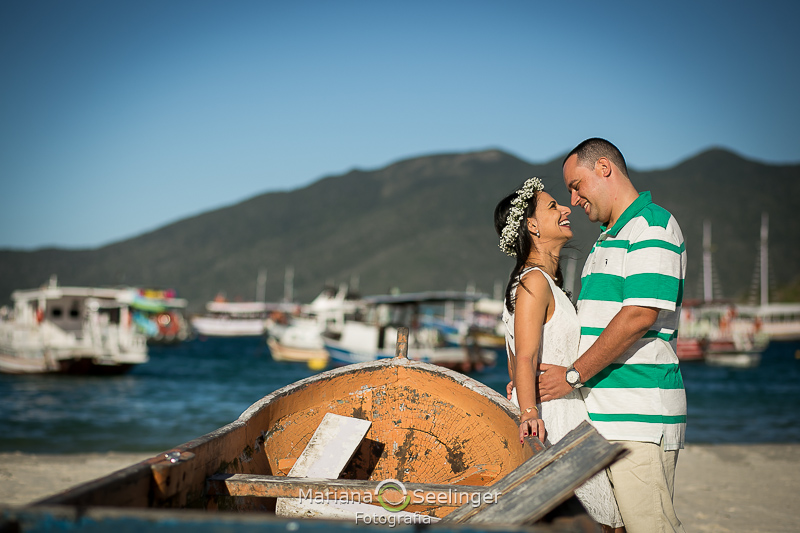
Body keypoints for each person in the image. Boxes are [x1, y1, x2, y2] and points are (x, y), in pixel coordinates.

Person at [538, 138, 687, 533]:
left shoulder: (652, 225)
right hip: (605, 418)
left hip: (639, 417)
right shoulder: (606, 238)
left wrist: (572, 375)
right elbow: (594, 329)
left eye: (575, 184)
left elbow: (638, 315)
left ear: (604, 168)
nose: (572, 198)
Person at [494, 177, 624, 532]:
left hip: (564, 410)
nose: (566, 208)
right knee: (598, 523)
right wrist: (529, 413)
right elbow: (524, 356)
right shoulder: (534, 280)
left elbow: (516, 358)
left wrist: (522, 390)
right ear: (532, 226)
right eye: (554, 206)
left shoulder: (537, 281)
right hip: (556, 418)